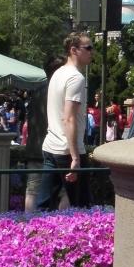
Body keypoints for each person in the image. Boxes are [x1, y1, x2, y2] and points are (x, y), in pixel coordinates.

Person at [38, 33, 92, 210]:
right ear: (74, 50)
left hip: (50, 146)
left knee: (44, 206)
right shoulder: (76, 78)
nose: (91, 52)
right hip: (67, 150)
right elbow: (68, 118)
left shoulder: (57, 73)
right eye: (88, 48)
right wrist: (75, 157)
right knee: (82, 208)